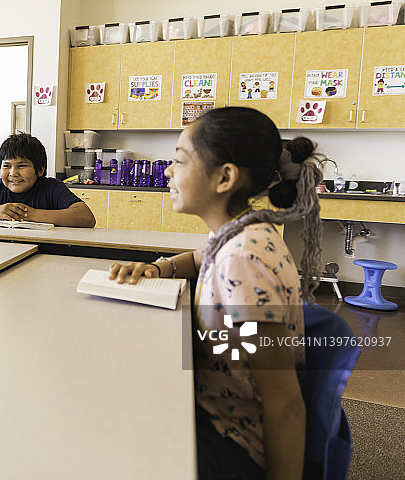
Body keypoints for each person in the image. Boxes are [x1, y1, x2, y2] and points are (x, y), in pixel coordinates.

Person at [109, 107, 324, 480]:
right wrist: (160, 267)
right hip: (216, 413)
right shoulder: (237, 233)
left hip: (233, 442)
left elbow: (285, 403)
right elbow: (199, 257)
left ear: (225, 177)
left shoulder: (243, 257)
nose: (167, 171)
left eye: (179, 161)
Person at [0, 132, 95, 227]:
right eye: (7, 166)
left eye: (21, 166)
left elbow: (86, 217)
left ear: (40, 169)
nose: (13, 173)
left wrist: (30, 215)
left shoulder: (51, 187)